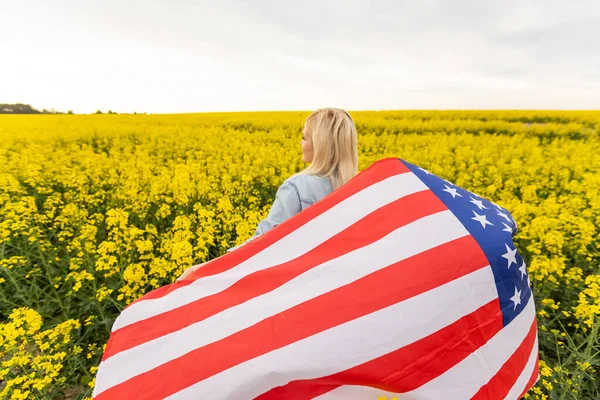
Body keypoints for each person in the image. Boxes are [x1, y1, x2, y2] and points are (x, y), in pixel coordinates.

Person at [176, 108, 359, 282]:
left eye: (304, 137)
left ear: (320, 144)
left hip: (300, 284)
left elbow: (263, 244)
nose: (300, 143)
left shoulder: (297, 188)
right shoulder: (359, 188)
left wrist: (208, 267)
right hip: (338, 284)